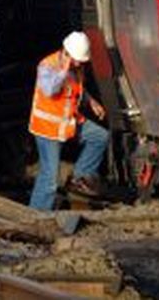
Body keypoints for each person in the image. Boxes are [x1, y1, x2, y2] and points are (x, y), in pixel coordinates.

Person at [28, 31, 109, 211]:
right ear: (66, 53)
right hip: (48, 128)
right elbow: (50, 90)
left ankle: (80, 175)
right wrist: (63, 69)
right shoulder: (47, 65)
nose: (80, 64)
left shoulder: (76, 67)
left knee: (100, 137)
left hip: (69, 123)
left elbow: (77, 88)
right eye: (76, 59)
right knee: (49, 177)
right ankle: (37, 214)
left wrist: (91, 101)